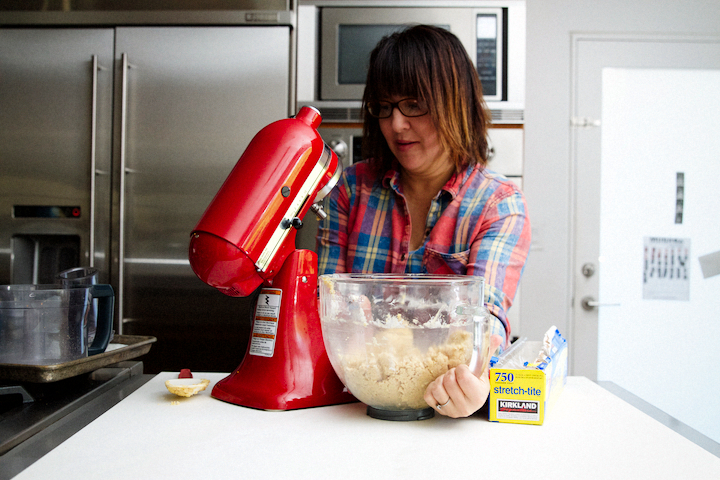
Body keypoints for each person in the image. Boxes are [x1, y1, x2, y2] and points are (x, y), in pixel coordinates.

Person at [316, 25, 531, 418]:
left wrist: (473, 379)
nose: (396, 124)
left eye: (414, 104)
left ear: (456, 103)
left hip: (443, 411)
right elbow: (330, 307)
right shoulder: (349, 190)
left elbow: (487, 318)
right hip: (352, 409)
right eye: (384, 107)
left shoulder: (499, 206)